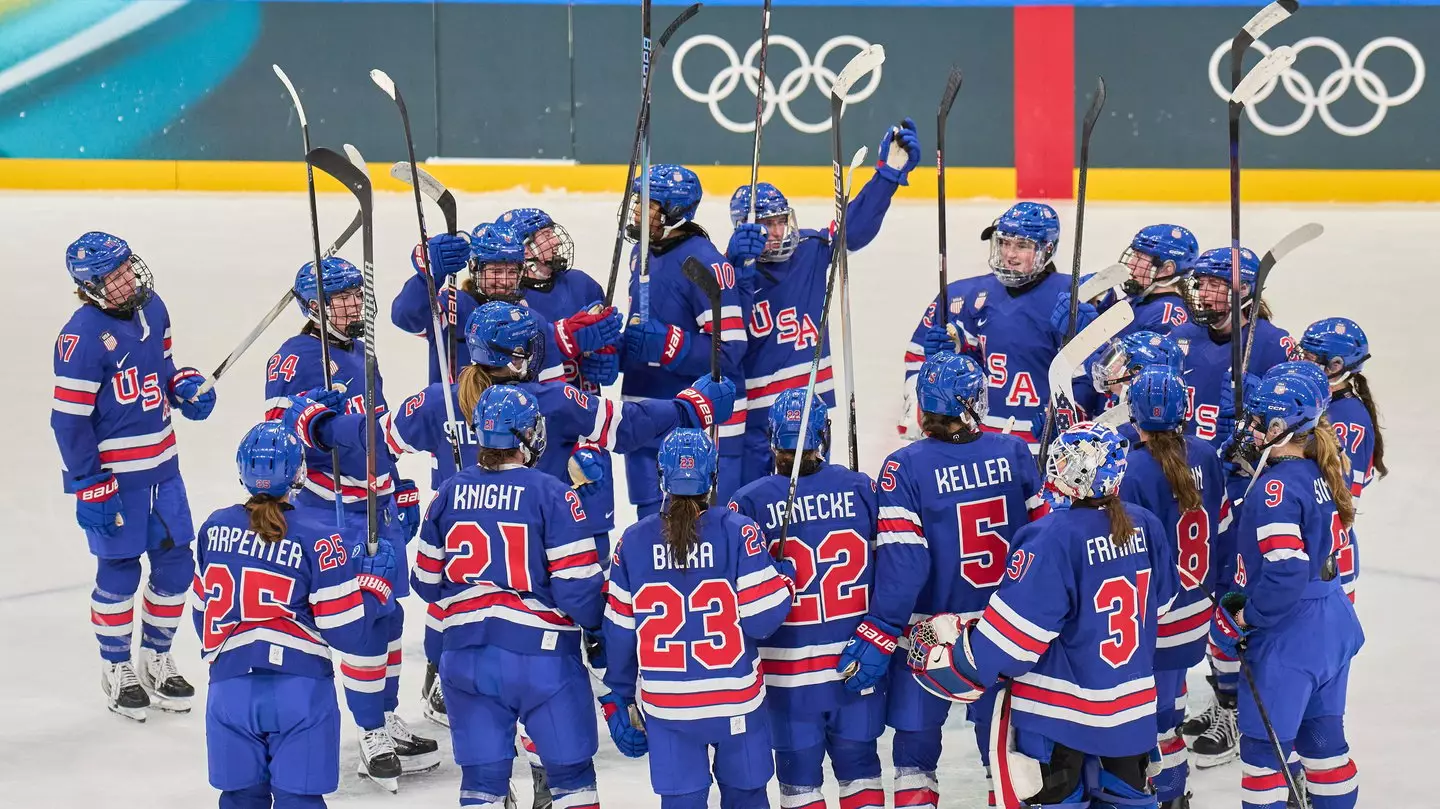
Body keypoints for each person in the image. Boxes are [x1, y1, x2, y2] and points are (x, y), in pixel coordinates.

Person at [293, 300, 735, 726]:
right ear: (518, 358)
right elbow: (628, 425)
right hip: (536, 586)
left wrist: (319, 425)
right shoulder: (551, 401)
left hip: (461, 592)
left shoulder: (438, 402)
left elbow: (371, 438)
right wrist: (688, 407)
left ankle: (443, 677)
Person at [906, 422, 1179, 809]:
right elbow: (1161, 605)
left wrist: (960, 661)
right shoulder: (1144, 523)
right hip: (1130, 713)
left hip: (1060, 717)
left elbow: (1012, 643)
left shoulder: (1051, 536)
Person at [264, 257, 437, 788]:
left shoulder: (363, 351)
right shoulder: (291, 358)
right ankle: (369, 732)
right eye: (339, 297)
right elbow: (276, 434)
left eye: (354, 293)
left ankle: (384, 714)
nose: (351, 304)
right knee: (360, 619)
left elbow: (377, 428)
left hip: (377, 504)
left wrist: (399, 484)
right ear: (313, 307)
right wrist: (318, 421)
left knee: (389, 618)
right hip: (330, 509)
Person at [857, 352, 1047, 809]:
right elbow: (1043, 542)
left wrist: (880, 629)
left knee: (914, 757)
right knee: (1003, 758)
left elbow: (906, 565)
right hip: (1001, 634)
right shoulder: (1015, 450)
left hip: (926, 633)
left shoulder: (904, 466)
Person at [412, 385, 607, 809]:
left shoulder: (448, 491)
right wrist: (599, 629)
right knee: (572, 777)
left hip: (465, 659)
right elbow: (578, 591)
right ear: (525, 435)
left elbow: (426, 582)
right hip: (542, 661)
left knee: (482, 782)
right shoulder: (553, 492)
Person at [51, 231, 213, 721]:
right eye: (115, 275)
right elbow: (68, 419)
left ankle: (157, 656)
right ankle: (116, 666)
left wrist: (181, 384)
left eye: (128, 268)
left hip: (165, 469)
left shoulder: (154, 308)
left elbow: (160, 369)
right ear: (90, 286)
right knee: (119, 574)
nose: (128, 279)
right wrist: (88, 482)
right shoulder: (79, 338)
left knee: (176, 567)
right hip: (116, 480)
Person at [192, 422, 398, 808]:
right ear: (298, 473)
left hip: (229, 689)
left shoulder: (214, 528)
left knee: (238, 799)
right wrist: (373, 588)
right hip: (299, 693)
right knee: (299, 801)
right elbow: (346, 633)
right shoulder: (320, 537)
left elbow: (201, 614)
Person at [602, 428, 797, 809]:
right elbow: (761, 620)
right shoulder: (740, 531)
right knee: (747, 799)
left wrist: (619, 696)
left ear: (662, 477)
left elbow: (620, 633)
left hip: (669, 708)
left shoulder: (634, 540)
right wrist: (784, 579)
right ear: (712, 477)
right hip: (735, 703)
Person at [725, 117, 919, 484]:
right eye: (765, 225)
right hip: (753, 418)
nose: (777, 232)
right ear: (743, 228)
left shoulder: (811, 249)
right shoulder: (729, 272)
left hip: (810, 410)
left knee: (809, 502)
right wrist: (735, 267)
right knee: (753, 506)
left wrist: (888, 176)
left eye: (781, 221)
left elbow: (853, 231)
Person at [1211, 367, 1364, 809]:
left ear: (1283, 428)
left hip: (1289, 636)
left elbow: (1286, 571)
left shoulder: (1275, 488)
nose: (1252, 428)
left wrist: (1245, 618)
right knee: (1324, 746)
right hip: (1330, 622)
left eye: (1261, 421)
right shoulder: (1320, 469)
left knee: (1263, 758)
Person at [728, 389, 883, 809]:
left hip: (787, 674)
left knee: (798, 780)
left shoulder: (749, 501)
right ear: (823, 435)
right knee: (862, 770)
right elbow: (890, 568)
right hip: (855, 661)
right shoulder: (861, 488)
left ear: (771, 438)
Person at [1117, 367, 1229, 806]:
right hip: (1197, 607)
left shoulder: (1132, 470)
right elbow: (1222, 527)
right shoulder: (1205, 455)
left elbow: (1129, 558)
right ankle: (1170, 788)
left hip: (1154, 616)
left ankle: (1168, 792)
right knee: (1173, 694)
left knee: (1154, 716)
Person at [900, 202, 1085, 450]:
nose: (1009, 254)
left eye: (1022, 245)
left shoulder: (1073, 297)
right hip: (975, 442)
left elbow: (1095, 378)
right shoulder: (961, 296)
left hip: (1044, 447)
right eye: (1004, 243)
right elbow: (918, 356)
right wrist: (944, 361)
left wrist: (1068, 419)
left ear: (1047, 249)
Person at [620, 164, 749, 511]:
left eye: (648, 204)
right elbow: (642, 330)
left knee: (701, 526)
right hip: (642, 412)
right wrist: (616, 351)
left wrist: (669, 346)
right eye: (637, 201)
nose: (636, 210)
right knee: (648, 523)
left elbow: (731, 350)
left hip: (694, 420)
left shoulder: (705, 262)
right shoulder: (639, 254)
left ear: (675, 212)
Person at [394, 220, 617, 387]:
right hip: (458, 435)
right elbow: (406, 317)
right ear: (475, 268)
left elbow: (550, 388)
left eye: (512, 271)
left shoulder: (529, 318)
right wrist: (426, 278)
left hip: (510, 441)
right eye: (495, 271)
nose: (504, 281)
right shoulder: (455, 303)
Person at [1167, 247, 1294, 450]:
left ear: (1243, 289)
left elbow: (1295, 419)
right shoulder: (1181, 336)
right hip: (1183, 460)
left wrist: (1257, 405)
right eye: (1201, 284)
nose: (1202, 293)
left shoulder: (1273, 343)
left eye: (1214, 284)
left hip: (1237, 468)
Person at [1298, 317, 1383, 601]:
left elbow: (1341, 504)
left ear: (1335, 366)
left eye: (1311, 358)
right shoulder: (1319, 406)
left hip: (1326, 563)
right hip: (1316, 553)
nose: (1302, 364)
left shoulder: (1347, 419)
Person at [1079, 330, 1184, 438]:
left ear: (1137, 373)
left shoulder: (1131, 430)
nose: (1111, 367)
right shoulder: (1160, 415)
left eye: (1120, 361)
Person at [1107, 224, 1200, 335]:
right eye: (1134, 255)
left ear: (1167, 269)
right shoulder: (1139, 297)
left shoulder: (1166, 314)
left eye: (1139, 258)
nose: (1131, 264)